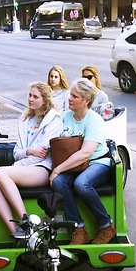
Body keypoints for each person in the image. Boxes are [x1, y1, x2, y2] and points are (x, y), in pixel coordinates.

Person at [0, 82, 62, 238]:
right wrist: (28, 151)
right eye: (29, 95)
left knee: (0, 172)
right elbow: (17, 153)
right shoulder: (25, 121)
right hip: (25, 168)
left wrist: (19, 163)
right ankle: (16, 232)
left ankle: (25, 220)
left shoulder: (54, 120)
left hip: (42, 168)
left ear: (45, 100)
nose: (30, 99)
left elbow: (42, 153)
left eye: (35, 96)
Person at [50, 78, 115, 245]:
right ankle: (79, 229)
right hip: (75, 166)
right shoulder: (65, 116)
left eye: (74, 96)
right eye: (70, 95)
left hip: (97, 162)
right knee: (59, 183)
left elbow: (85, 153)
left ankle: (106, 226)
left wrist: (57, 169)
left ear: (86, 101)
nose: (69, 98)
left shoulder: (94, 120)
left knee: (81, 184)